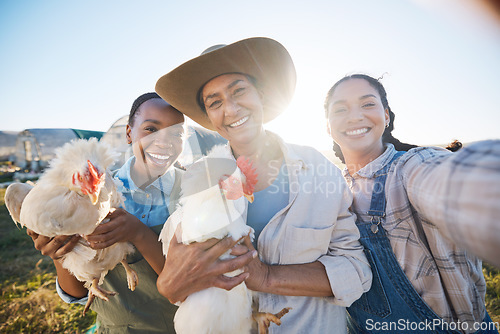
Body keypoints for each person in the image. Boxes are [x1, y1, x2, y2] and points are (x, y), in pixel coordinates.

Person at [154, 37, 373, 333]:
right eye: (215, 102)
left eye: (239, 91)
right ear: (209, 117)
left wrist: (266, 277)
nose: (230, 109)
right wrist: (169, 285)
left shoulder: (319, 171)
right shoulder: (196, 182)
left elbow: (357, 271)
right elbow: (185, 284)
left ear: (261, 95)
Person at [324, 74, 500, 333]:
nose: (354, 116)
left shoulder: (410, 167)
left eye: (367, 104)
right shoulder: (334, 193)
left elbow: (453, 185)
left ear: (386, 117)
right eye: (340, 109)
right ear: (328, 127)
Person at [27, 92, 186, 333]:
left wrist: (138, 233)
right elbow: (76, 293)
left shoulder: (192, 192)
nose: (164, 142)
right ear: (129, 133)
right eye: (151, 129)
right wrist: (60, 253)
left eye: (176, 133)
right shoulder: (88, 193)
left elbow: (191, 284)